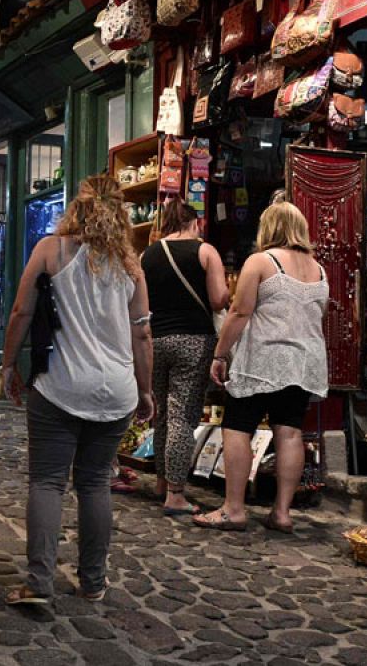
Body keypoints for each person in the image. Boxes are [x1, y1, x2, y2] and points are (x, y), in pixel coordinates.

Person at [0, 175, 154, 607]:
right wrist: (146, 391)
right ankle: (93, 582)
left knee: (47, 482)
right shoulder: (131, 266)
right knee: (95, 485)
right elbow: (142, 336)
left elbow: (20, 310)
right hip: (116, 389)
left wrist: (9, 364)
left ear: (76, 209)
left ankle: (39, 581)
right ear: (120, 213)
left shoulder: (51, 250)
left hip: (61, 387)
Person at [194, 200, 329, 534]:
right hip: (304, 362)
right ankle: (282, 512)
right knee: (290, 431)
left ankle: (233, 509)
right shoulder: (319, 269)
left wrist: (220, 355)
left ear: (268, 227)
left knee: (238, 426)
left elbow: (240, 312)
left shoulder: (261, 261)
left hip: (263, 360)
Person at [140, 199, 229, 518]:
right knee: (182, 415)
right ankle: (176, 494)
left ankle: (163, 482)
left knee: (161, 412)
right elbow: (219, 299)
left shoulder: (147, 254)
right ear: (196, 223)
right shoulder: (205, 251)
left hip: (155, 339)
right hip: (193, 339)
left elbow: (141, 301)